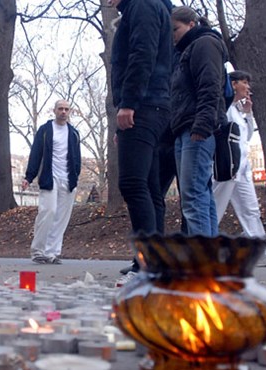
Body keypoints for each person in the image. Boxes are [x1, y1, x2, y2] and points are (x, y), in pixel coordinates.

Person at [108, 0, 174, 285]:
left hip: (145, 103)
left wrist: (129, 103)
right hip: (155, 105)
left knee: (133, 184)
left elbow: (142, 53)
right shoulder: (149, 6)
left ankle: (146, 265)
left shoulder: (143, 6)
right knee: (149, 186)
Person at [213, 71, 266, 267]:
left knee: (251, 209)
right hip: (226, 167)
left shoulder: (238, 110)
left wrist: (248, 113)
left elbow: (246, 138)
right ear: (233, 84)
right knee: (215, 209)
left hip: (242, 169)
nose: (248, 87)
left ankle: (261, 253)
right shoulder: (224, 106)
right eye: (244, 82)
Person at [170, 6, 227, 237]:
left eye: (175, 29)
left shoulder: (204, 44)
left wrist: (202, 125)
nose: (172, 34)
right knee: (200, 195)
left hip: (197, 128)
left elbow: (210, 87)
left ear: (191, 24)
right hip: (185, 128)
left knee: (193, 196)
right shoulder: (186, 50)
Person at [22, 100, 82, 265]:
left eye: (66, 109)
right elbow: (36, 154)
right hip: (50, 178)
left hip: (68, 180)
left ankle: (52, 253)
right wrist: (29, 177)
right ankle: (38, 251)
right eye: (60, 109)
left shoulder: (74, 133)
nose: (63, 112)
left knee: (61, 217)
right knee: (48, 211)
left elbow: (77, 158)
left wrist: (75, 176)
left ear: (69, 112)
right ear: (54, 111)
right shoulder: (45, 130)